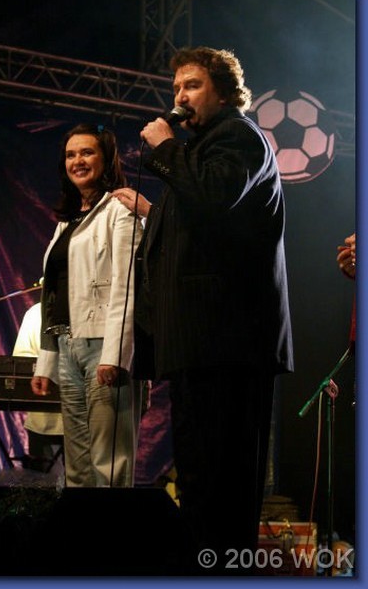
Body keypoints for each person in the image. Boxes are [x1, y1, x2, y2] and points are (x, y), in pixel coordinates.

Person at [114, 47, 294, 574]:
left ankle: (223, 573)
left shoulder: (238, 136)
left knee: (223, 482)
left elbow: (215, 198)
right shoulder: (201, 150)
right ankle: (203, 571)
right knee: (198, 480)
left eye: (191, 85)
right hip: (201, 343)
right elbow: (202, 224)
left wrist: (166, 148)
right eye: (175, 88)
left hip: (229, 342)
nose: (179, 96)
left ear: (225, 92)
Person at [31, 123, 143, 487]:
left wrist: (115, 355)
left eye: (87, 152)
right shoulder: (68, 221)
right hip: (68, 345)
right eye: (70, 154)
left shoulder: (120, 208)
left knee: (108, 461)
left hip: (102, 346)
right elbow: (54, 294)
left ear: (106, 159)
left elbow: (127, 285)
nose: (77, 161)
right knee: (77, 465)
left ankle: (109, 527)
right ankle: (81, 526)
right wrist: (47, 360)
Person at [13, 301, 64, 475]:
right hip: (44, 417)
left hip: (79, 418)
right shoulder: (35, 313)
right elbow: (22, 359)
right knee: (45, 480)